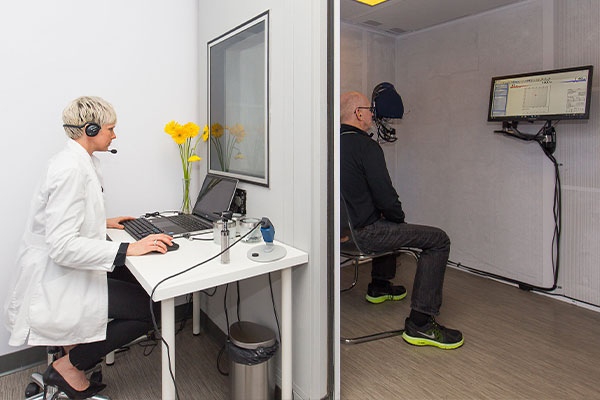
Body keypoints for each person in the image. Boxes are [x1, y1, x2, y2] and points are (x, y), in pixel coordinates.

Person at [4, 96, 174, 398]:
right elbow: (62, 246)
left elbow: (65, 220)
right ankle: (68, 367)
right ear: (91, 129)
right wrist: (127, 251)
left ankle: (72, 360)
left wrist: (104, 222)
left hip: (64, 271)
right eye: (111, 129)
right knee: (148, 309)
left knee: (129, 282)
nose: (114, 135)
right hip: (58, 278)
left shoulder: (75, 161)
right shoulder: (71, 170)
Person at [340, 91, 463, 349]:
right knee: (438, 239)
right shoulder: (367, 147)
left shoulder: (330, 144)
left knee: (385, 219)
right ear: (358, 113)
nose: (373, 113)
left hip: (338, 234)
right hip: (364, 234)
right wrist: (399, 219)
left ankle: (379, 287)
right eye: (369, 109)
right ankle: (421, 324)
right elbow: (386, 197)